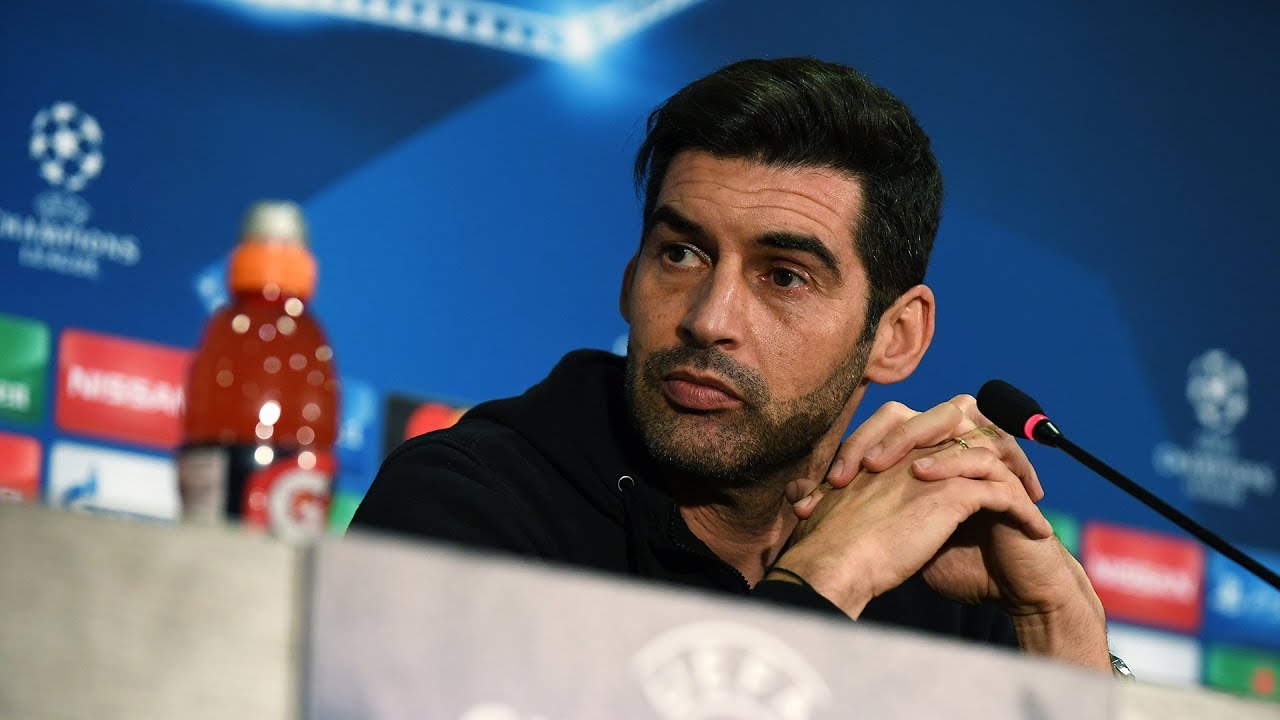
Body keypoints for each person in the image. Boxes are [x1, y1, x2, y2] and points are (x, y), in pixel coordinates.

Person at [351, 57, 1112, 672]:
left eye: (783, 276)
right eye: (681, 254)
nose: (708, 320)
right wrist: (826, 580)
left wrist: (1059, 625)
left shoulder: (944, 574)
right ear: (630, 279)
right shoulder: (467, 507)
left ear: (896, 336)